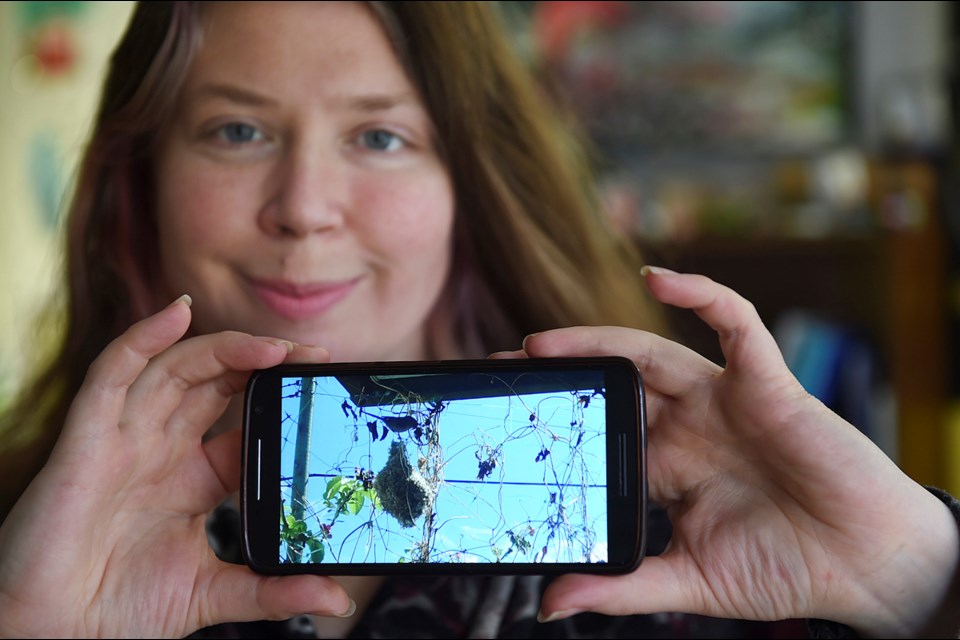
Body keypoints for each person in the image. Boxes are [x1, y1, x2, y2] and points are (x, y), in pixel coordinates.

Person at [0, 2, 956, 639]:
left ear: (471, 187)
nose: (303, 204)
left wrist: (908, 576)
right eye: (236, 130)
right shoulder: (28, 548)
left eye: (380, 136)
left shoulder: (688, 551)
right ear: (143, 180)